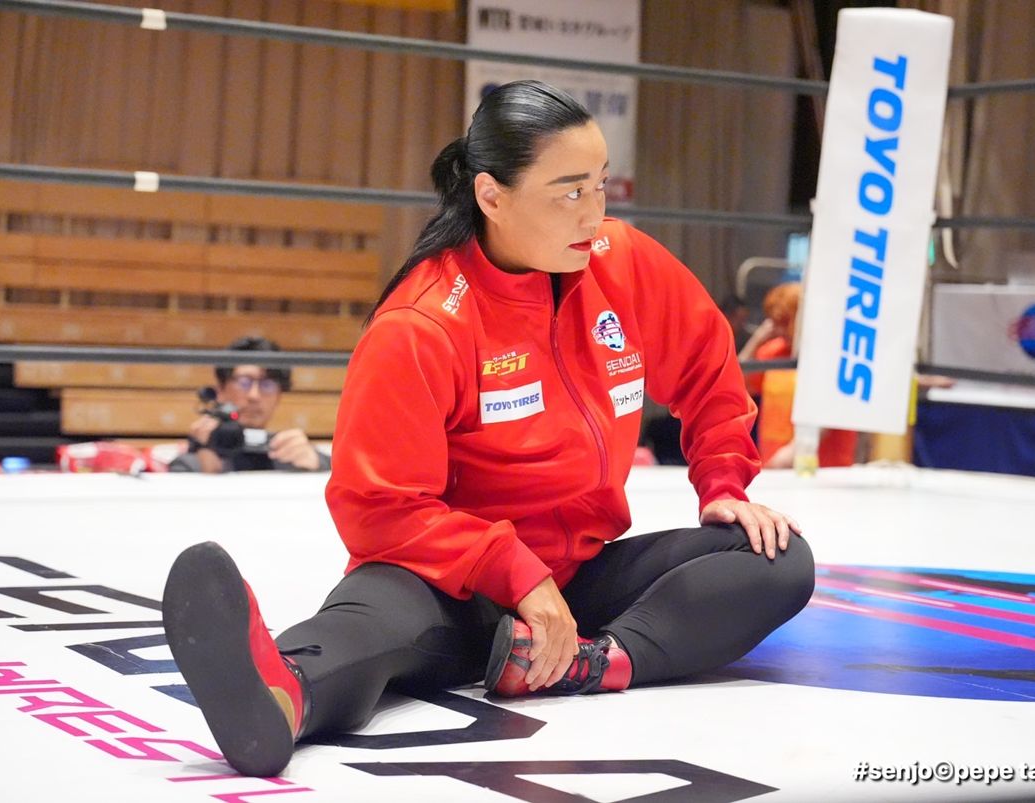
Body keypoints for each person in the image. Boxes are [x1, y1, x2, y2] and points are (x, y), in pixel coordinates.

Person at [162, 80, 815, 777]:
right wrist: (515, 574)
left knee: (776, 558)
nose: (593, 212)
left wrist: (723, 482)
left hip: (578, 579)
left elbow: (710, 369)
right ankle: (281, 692)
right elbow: (378, 506)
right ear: (491, 196)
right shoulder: (421, 324)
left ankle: (584, 663)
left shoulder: (620, 261)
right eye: (569, 191)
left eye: (599, 185)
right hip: (447, 587)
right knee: (370, 627)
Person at [168, 336, 330, 473]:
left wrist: (317, 464)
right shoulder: (196, 457)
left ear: (279, 396)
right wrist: (202, 467)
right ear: (221, 390)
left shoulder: (289, 453)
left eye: (267, 385)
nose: (254, 396)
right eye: (244, 382)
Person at [738, 283, 857, 468]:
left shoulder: (833, 355)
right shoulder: (773, 352)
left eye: (785, 322)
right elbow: (737, 385)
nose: (779, 330)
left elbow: (832, 409)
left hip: (823, 466)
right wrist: (757, 340)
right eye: (775, 322)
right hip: (773, 463)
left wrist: (793, 452)